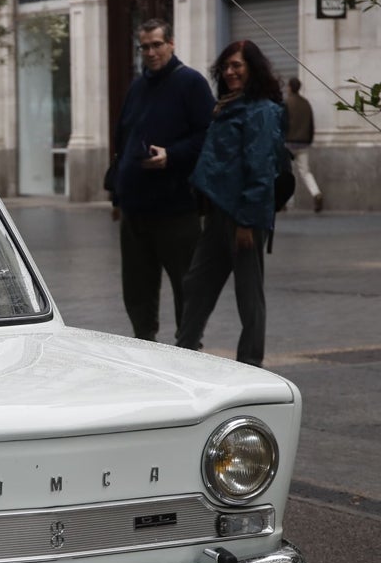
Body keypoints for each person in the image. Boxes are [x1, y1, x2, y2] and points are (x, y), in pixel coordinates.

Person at [176, 40, 287, 368]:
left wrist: (247, 221)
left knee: (249, 296)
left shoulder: (262, 110)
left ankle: (251, 363)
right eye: (225, 66)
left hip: (244, 217)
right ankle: (183, 351)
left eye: (236, 65)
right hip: (218, 212)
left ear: (253, 68)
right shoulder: (227, 106)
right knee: (196, 283)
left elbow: (261, 168)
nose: (229, 72)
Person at [108, 19, 215, 343]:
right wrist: (118, 192)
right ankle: (145, 342)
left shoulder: (191, 83)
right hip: (135, 209)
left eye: (156, 44)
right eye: (145, 46)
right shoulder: (138, 87)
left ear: (171, 44)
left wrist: (172, 154)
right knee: (137, 289)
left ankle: (189, 344)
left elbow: (209, 137)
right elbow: (123, 140)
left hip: (175, 208)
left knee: (187, 285)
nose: (150, 52)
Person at [285, 78, 322, 212]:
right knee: (305, 172)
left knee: (285, 173)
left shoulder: (286, 103)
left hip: (288, 144)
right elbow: (311, 124)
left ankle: (284, 203)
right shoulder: (306, 103)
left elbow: (282, 123)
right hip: (303, 144)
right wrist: (309, 140)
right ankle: (316, 193)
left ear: (289, 87)